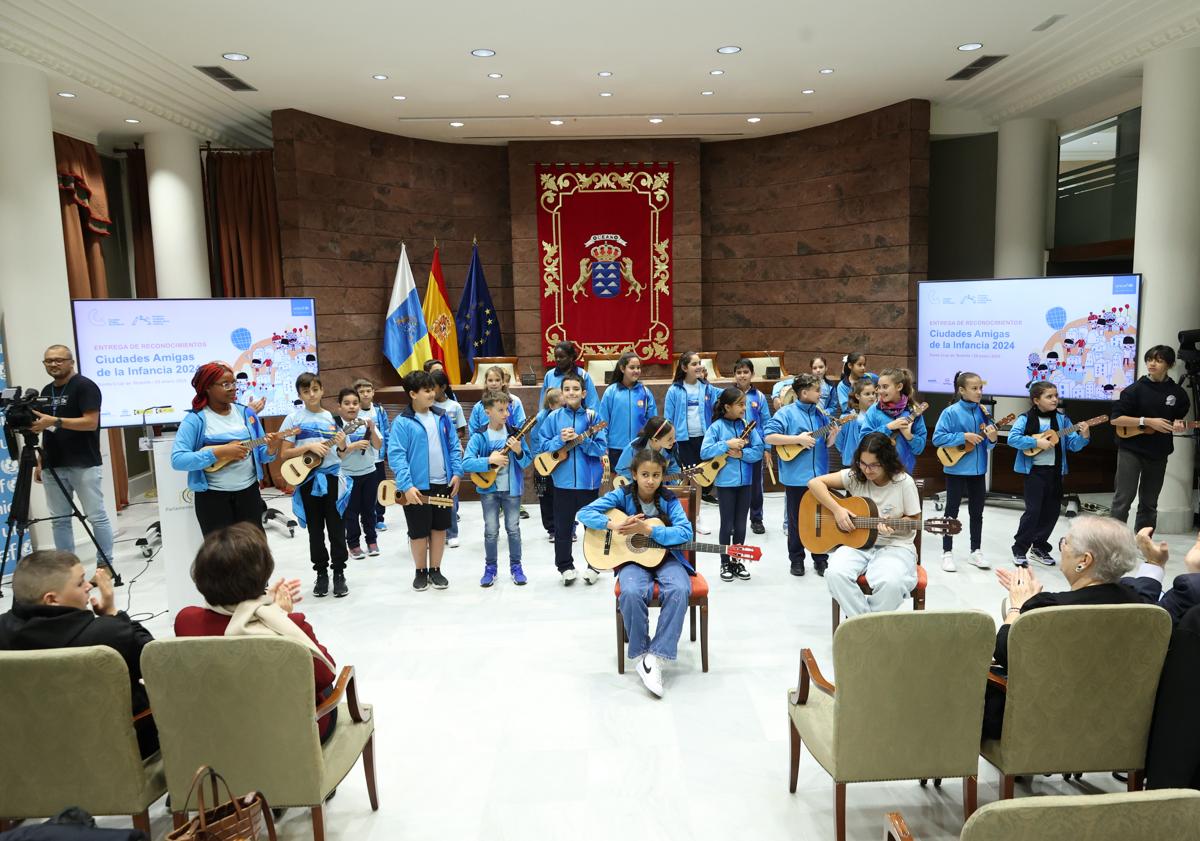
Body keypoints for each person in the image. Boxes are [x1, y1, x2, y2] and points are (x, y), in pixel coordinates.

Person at [984, 516, 1148, 739]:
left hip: (1044, 725)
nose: (1061, 547)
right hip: (1114, 727)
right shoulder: (1140, 605)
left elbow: (1005, 652)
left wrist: (1018, 606)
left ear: (1084, 560)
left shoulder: (1049, 608)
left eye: (1066, 542)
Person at [174, 523, 339, 743]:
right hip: (287, 739)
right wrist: (279, 614)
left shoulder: (187, 621)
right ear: (265, 573)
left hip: (218, 736)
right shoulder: (290, 626)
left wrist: (266, 604)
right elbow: (324, 677)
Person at [0, 551, 157, 758]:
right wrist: (112, 614)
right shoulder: (107, 635)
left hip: (29, 757)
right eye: (80, 582)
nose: (89, 586)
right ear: (52, 599)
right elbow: (155, 661)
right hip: (114, 757)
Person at [577, 449, 696, 698]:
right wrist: (613, 524)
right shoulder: (621, 496)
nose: (650, 480)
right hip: (630, 559)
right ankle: (641, 652)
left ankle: (656, 656)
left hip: (667, 557)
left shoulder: (668, 500)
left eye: (655, 475)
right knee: (630, 591)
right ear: (634, 474)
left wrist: (650, 532)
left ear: (663, 475)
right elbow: (584, 513)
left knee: (679, 589)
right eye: (644, 474)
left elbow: (686, 533)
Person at [809, 432, 922, 617]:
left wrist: (896, 524)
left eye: (874, 465)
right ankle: (867, 627)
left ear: (887, 461)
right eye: (863, 463)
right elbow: (814, 483)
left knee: (891, 583)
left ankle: (861, 627)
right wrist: (837, 510)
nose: (867, 470)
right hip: (857, 543)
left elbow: (914, 520)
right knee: (835, 574)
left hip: (895, 545)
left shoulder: (904, 483)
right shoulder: (855, 475)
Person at [28, 344, 114, 570]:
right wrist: (40, 462)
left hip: (83, 462)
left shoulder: (85, 386)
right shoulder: (47, 390)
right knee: (60, 520)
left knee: (96, 516)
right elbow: (45, 429)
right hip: (53, 464)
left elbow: (90, 423)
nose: (54, 364)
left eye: (59, 360)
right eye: (48, 361)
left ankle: (104, 567)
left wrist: (54, 421)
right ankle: (66, 570)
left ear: (71, 362)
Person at [171, 362, 279, 535]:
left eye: (234, 383)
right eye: (225, 384)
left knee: (254, 552)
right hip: (212, 499)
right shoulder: (195, 420)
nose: (232, 388)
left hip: (249, 494)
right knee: (221, 556)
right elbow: (178, 460)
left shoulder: (246, 414)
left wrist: (271, 449)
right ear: (207, 387)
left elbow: (262, 456)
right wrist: (219, 452)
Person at [388, 370, 463, 591]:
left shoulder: (442, 417)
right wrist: (407, 485)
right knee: (418, 531)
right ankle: (420, 571)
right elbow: (397, 455)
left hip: (442, 484)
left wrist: (457, 473)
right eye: (427, 390)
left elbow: (453, 447)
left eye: (433, 389)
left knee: (439, 528)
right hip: (416, 488)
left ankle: (436, 570)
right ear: (412, 393)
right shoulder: (402, 422)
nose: (432, 394)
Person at [278, 372, 349, 598]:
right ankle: (321, 574)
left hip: (332, 478)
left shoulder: (333, 419)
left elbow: (342, 453)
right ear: (299, 394)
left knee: (337, 528)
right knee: (315, 530)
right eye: (306, 391)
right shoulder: (293, 419)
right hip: (308, 480)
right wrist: (309, 449)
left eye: (315, 389)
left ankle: (339, 573)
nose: (311, 394)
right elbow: (284, 453)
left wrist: (341, 445)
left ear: (322, 390)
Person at [1006, 382, 1091, 567]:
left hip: (1055, 472)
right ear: (1036, 400)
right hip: (1035, 473)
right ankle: (1019, 549)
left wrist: (1084, 436)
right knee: (1033, 511)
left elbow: (1072, 445)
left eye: (1056, 396)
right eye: (1049, 396)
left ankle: (1039, 547)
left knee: (1051, 512)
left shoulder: (1062, 420)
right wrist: (1036, 443)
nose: (1055, 399)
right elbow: (1013, 439)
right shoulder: (1025, 418)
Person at [1109, 345, 1192, 531]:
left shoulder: (1178, 393)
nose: (1152, 363)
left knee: (1150, 502)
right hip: (1131, 450)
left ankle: (1144, 544)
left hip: (1159, 452)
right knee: (1123, 499)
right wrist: (1147, 421)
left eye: (1159, 360)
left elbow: (1178, 417)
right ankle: (1113, 543)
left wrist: (1178, 423)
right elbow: (1116, 419)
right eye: (1150, 359)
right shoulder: (1134, 390)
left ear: (1169, 365)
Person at [537, 371, 607, 584]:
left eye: (576, 389)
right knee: (563, 527)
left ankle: (594, 565)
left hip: (589, 484)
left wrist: (582, 441)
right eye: (567, 389)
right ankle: (565, 566)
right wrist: (559, 440)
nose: (571, 392)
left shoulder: (594, 418)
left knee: (593, 527)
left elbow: (601, 448)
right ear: (562, 392)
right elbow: (543, 447)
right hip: (562, 483)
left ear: (584, 393)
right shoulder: (553, 417)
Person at [764, 373, 832, 576]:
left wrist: (832, 436)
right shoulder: (786, 413)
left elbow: (825, 442)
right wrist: (797, 439)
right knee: (796, 521)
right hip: (796, 478)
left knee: (820, 519)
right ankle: (796, 559)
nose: (820, 394)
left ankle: (820, 559)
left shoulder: (820, 414)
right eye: (817, 390)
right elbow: (769, 436)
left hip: (819, 476)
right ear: (804, 392)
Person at [462, 392, 532, 587]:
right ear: (488, 412)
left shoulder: (515, 433)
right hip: (488, 491)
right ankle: (490, 568)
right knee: (491, 530)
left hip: (512, 490)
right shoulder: (479, 436)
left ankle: (516, 567)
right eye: (500, 410)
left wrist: (518, 450)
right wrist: (489, 461)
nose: (506, 414)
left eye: (507, 409)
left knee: (514, 529)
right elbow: (466, 462)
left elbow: (527, 461)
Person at [932, 371, 997, 572]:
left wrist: (993, 438)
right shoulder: (950, 412)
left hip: (978, 472)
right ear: (962, 390)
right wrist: (963, 436)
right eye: (974, 388)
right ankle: (947, 552)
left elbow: (988, 445)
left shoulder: (984, 412)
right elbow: (938, 439)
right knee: (951, 512)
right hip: (956, 470)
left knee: (977, 513)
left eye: (981, 388)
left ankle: (975, 551)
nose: (979, 392)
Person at [701, 387, 764, 582]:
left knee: (740, 524)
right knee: (727, 524)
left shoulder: (747, 425)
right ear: (727, 406)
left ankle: (737, 560)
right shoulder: (717, 427)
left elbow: (759, 450)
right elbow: (705, 452)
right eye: (740, 405)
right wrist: (727, 444)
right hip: (725, 484)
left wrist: (742, 454)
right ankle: (724, 562)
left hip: (745, 482)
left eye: (745, 404)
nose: (744, 408)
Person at [664, 351, 721, 508]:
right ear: (684, 367)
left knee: (701, 475)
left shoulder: (706, 388)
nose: (698, 366)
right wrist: (670, 439)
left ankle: (697, 510)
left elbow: (725, 396)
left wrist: (707, 381)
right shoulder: (674, 390)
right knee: (688, 476)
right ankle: (683, 508)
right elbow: (668, 418)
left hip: (704, 437)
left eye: (699, 363)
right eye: (694, 364)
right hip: (683, 440)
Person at [336, 388, 382, 562]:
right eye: (346, 403)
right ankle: (353, 544)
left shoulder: (366, 422)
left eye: (355, 403)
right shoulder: (337, 427)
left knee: (369, 510)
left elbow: (377, 446)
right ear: (339, 407)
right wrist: (353, 447)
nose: (351, 407)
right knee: (351, 513)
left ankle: (372, 541)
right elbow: (339, 454)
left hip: (370, 472)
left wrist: (372, 428)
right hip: (348, 476)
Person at [733, 358, 773, 535]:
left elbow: (766, 423)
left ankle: (757, 519)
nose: (742, 375)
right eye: (739, 372)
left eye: (745, 372)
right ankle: (735, 521)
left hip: (755, 448)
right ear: (734, 375)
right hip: (734, 448)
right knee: (735, 485)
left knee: (756, 485)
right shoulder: (728, 395)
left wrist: (767, 448)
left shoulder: (760, 397)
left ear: (752, 374)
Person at [861, 367, 927, 475]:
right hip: (876, 473)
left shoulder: (913, 411)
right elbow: (863, 441)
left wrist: (909, 436)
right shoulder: (874, 410)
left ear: (899, 386)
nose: (880, 391)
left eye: (885, 387)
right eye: (879, 387)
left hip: (904, 473)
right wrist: (888, 428)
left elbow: (919, 449)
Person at [599, 352, 657, 470]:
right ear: (622, 368)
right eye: (632, 367)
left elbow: (653, 422)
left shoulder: (645, 392)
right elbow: (603, 422)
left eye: (638, 367)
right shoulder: (611, 392)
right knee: (616, 482)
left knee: (639, 481)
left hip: (639, 447)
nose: (636, 371)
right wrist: (603, 446)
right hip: (616, 447)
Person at [431, 368, 468, 548]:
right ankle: (435, 531)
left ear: (443, 387)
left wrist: (450, 437)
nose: (430, 390)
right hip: (434, 455)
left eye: (434, 387)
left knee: (450, 496)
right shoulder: (427, 408)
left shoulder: (454, 406)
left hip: (452, 452)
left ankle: (452, 533)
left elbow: (462, 430)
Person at [352, 377, 390, 534]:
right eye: (361, 392)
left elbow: (386, 432)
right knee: (365, 491)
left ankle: (379, 518)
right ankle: (366, 518)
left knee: (381, 488)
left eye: (368, 391)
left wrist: (387, 451)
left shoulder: (379, 410)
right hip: (362, 459)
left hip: (378, 457)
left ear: (373, 392)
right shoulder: (354, 412)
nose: (365, 394)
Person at [533, 388, 564, 542]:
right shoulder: (540, 418)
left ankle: (568, 528)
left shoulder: (567, 417)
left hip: (561, 463)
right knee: (544, 496)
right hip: (543, 463)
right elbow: (536, 441)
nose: (564, 409)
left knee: (564, 497)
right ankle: (551, 528)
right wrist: (541, 459)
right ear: (551, 406)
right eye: (561, 405)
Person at [614, 417, 682, 483]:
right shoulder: (634, 447)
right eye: (669, 439)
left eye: (674, 437)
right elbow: (621, 469)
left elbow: (674, 470)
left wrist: (670, 487)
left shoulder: (673, 448)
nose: (674, 441)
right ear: (655, 440)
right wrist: (637, 482)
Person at [467, 366, 527, 434]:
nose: (494, 383)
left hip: (510, 441)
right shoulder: (478, 407)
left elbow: (521, 427)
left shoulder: (514, 402)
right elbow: (473, 432)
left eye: (497, 380)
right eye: (490, 380)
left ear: (503, 382)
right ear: (486, 383)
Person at [540, 341, 599, 410]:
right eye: (556, 357)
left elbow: (593, 404)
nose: (558, 360)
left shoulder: (583, 375)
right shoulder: (549, 375)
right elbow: (543, 406)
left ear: (571, 357)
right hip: (554, 418)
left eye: (561, 357)